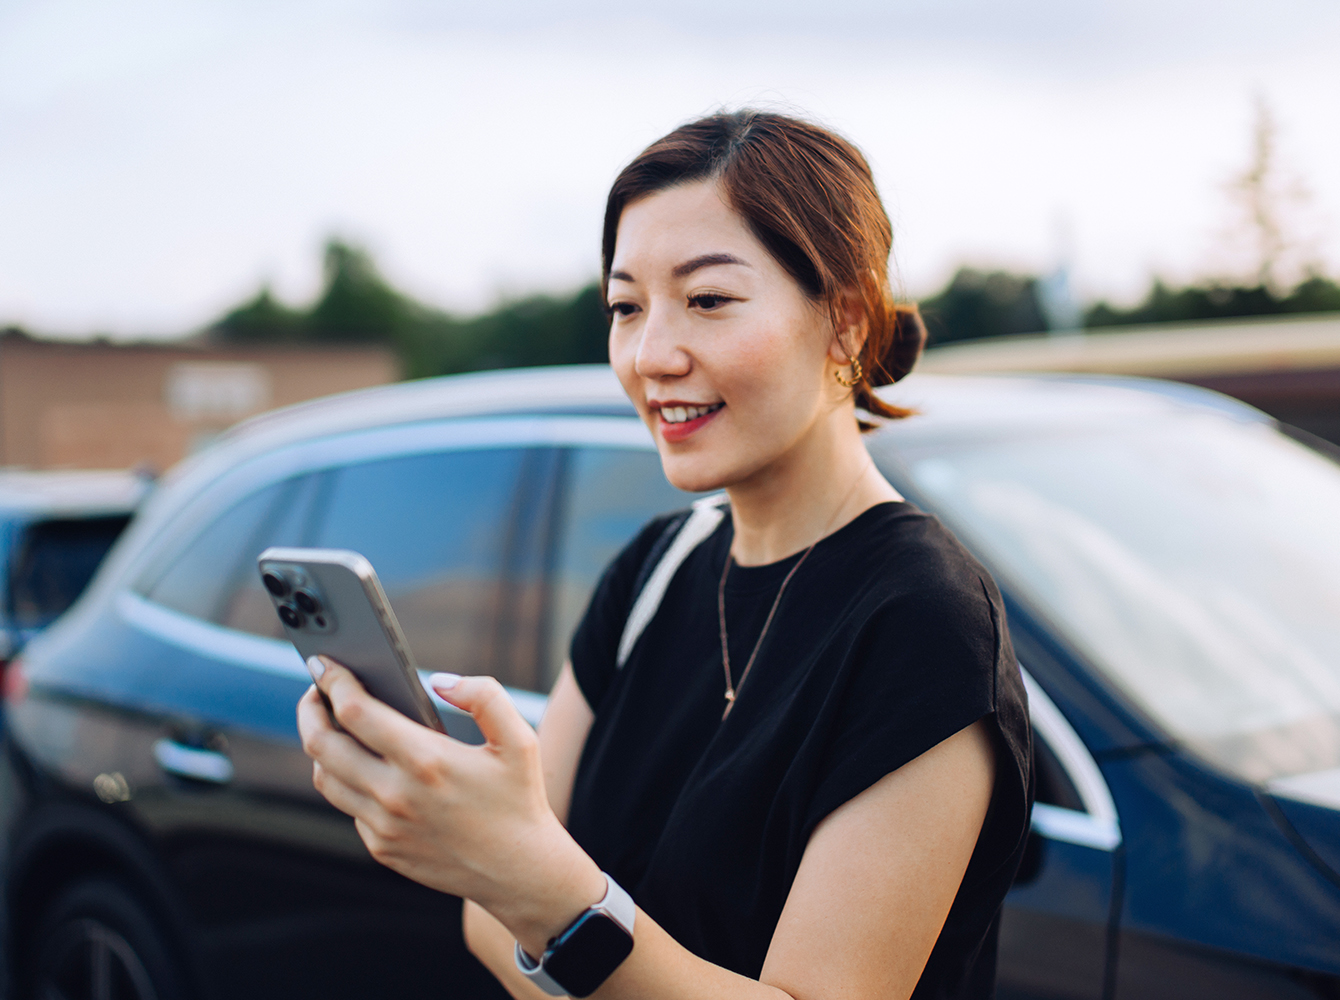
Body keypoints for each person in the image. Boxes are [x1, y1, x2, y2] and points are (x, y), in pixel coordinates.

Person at [297, 109, 1032, 1000]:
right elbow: (486, 920)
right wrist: (488, 851)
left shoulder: (922, 621)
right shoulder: (654, 569)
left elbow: (518, 895)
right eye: (626, 307)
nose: (650, 356)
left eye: (708, 300)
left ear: (843, 322)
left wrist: (528, 879)